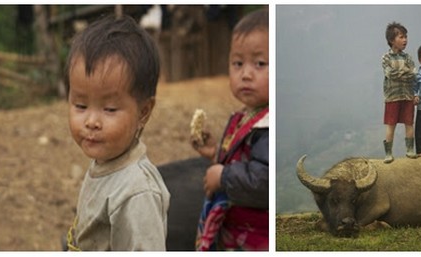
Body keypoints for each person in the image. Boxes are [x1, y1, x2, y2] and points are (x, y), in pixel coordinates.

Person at [63, 15, 170, 251]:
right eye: (80, 106)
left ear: (144, 112)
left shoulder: (136, 193)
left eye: (109, 109)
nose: (91, 121)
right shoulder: (107, 162)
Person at [191, 8, 268, 251]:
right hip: (236, 234)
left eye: (260, 63)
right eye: (238, 63)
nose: (246, 74)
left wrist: (223, 177)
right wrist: (215, 152)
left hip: (257, 239)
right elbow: (242, 159)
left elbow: (264, 179)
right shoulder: (245, 116)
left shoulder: (268, 125)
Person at [381, 21, 418, 163]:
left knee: (409, 123)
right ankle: (388, 153)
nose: (405, 40)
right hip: (392, 97)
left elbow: (413, 73)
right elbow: (390, 74)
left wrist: (401, 72)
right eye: (401, 37)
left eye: (406, 37)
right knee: (391, 125)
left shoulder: (407, 57)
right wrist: (405, 72)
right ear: (392, 40)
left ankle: (410, 150)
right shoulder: (386, 57)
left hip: (407, 95)